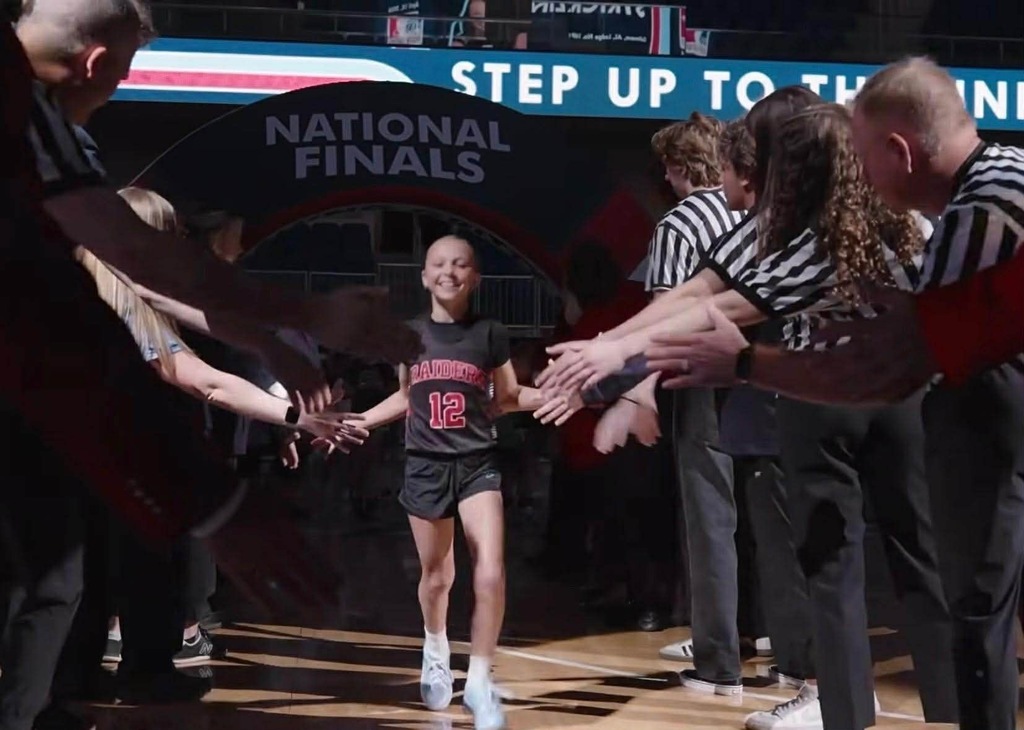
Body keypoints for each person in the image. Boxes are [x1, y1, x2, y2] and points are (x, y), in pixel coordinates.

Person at [340, 236, 566, 730]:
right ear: (423, 276)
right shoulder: (410, 335)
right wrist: (361, 421)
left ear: (475, 278)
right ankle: (435, 643)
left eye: (460, 264)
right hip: (424, 463)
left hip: (476, 463)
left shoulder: (490, 333)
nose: (449, 271)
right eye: (439, 263)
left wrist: (558, 394)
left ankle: (480, 678)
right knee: (438, 577)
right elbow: (406, 397)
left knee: (489, 569)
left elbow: (505, 397)